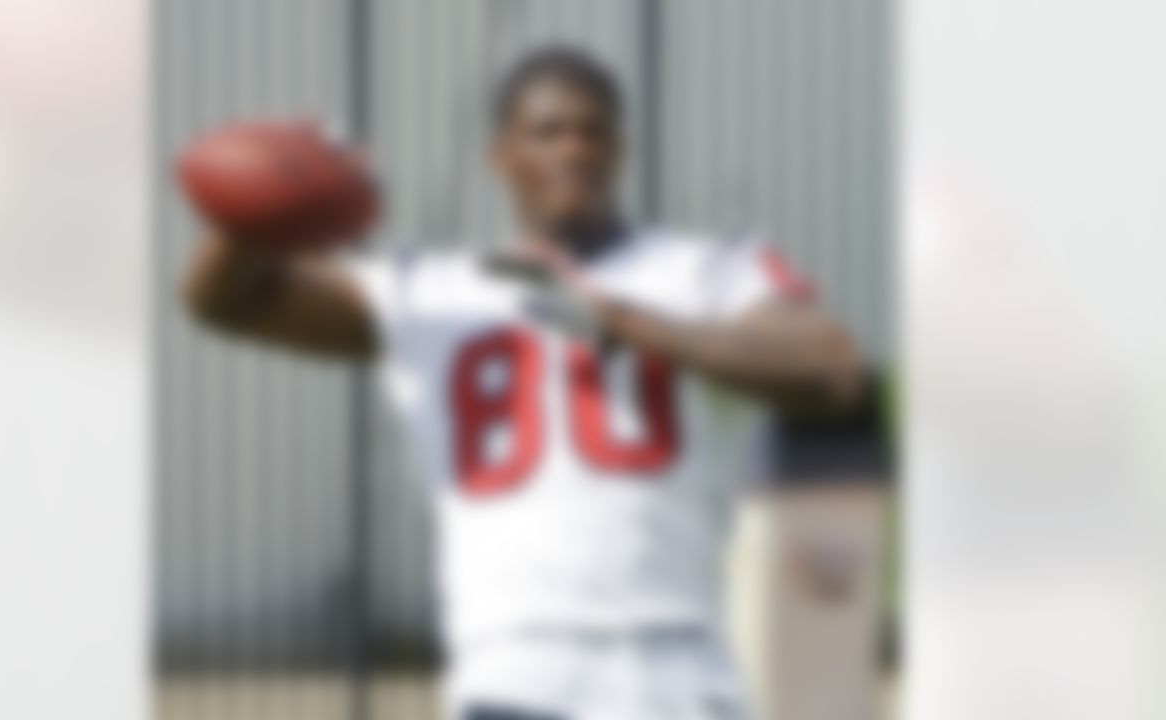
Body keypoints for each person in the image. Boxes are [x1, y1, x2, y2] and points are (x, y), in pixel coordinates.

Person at [182, 45, 862, 720]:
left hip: (676, 662)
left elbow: (829, 366)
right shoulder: (432, 290)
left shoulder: (706, 270)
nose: (574, 149)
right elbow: (225, 303)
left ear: (620, 149)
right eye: (547, 132)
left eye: (594, 130)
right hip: (516, 665)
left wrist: (625, 322)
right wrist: (260, 207)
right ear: (500, 156)